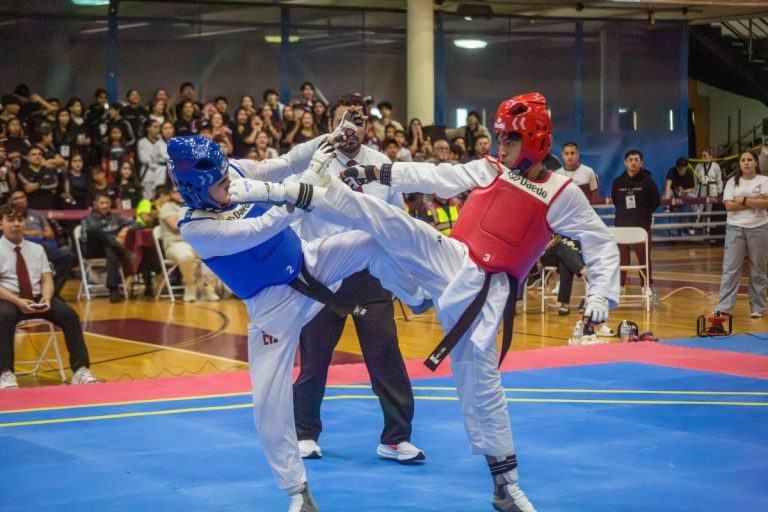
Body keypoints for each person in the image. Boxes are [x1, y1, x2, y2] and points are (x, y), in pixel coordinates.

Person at [230, 92, 621, 512]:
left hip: (485, 292)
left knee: (482, 387)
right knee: (385, 221)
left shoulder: (561, 193)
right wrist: (377, 171)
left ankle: (506, 486)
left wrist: (600, 292)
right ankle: (404, 286)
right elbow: (437, 176)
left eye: (510, 140)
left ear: (536, 142)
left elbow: (599, 242)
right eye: (499, 137)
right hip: (450, 256)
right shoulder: (489, 167)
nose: (500, 146)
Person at [167, 134, 424, 512]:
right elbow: (263, 227)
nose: (230, 185)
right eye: (220, 184)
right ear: (195, 190)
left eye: (226, 177)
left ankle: (420, 296)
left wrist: (328, 139)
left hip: (309, 261)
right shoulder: (196, 227)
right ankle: (298, 494)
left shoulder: (236, 170)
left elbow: (288, 160)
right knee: (268, 406)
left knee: (372, 239)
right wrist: (305, 191)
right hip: (274, 309)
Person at [289, 97, 423, 463]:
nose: (352, 129)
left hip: (371, 275)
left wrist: (405, 271)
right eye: (343, 121)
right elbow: (293, 219)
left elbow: (398, 221)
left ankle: (396, 438)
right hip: (322, 277)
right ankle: (305, 434)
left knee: (386, 358)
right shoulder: (311, 164)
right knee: (314, 361)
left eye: (358, 122)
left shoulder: (381, 166)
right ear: (330, 125)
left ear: (368, 127)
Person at [0, 203, 98, 389]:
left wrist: (46, 298)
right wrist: (17, 301)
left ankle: (80, 370)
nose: (16, 224)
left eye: (20, 220)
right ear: (1, 223)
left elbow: (46, 279)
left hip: (37, 297)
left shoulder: (37, 249)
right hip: (9, 299)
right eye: (10, 220)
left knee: (69, 315)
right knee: (3, 317)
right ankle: (5, 373)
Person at [714, 149, 768, 318]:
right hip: (735, 228)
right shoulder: (732, 182)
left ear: (756, 162)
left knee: (758, 269)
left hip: (759, 227)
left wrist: (743, 200)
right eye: (743, 160)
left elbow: (766, 204)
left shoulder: (765, 180)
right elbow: (729, 206)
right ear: (739, 163)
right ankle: (724, 308)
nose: (746, 162)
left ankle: (758, 308)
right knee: (730, 268)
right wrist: (755, 201)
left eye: (750, 159)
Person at [8, 189, 77, 298]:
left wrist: (27, 233)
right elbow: (14, 234)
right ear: (10, 201)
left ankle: (51, 292)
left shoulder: (37, 214)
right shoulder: (8, 217)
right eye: (16, 199)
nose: (20, 200)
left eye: (22, 197)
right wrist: (37, 233)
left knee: (68, 256)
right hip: (20, 251)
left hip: (43, 249)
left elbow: (49, 233)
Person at [158, 187, 219, 302]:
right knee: (186, 256)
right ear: (171, 194)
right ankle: (190, 285)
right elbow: (175, 226)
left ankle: (208, 286)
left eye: (182, 191)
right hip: (175, 244)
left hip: (194, 243)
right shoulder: (168, 206)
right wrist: (196, 223)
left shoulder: (193, 206)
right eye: (176, 191)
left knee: (213, 252)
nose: (180, 194)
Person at [611, 149, 660, 289]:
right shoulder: (617, 182)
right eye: (630, 159)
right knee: (621, 258)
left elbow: (655, 202)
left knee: (644, 258)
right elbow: (616, 201)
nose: (633, 162)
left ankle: (646, 284)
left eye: (636, 159)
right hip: (622, 227)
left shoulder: (649, 182)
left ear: (641, 162)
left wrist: (642, 214)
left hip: (641, 227)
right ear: (625, 162)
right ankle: (620, 284)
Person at [79, 192, 135, 303]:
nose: (105, 205)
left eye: (107, 203)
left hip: (110, 251)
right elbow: (84, 237)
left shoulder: (117, 217)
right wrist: (112, 239)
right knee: (94, 230)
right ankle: (119, 248)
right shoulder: (87, 218)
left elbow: (137, 223)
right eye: (102, 203)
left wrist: (126, 228)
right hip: (93, 250)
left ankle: (113, 289)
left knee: (110, 249)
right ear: (95, 204)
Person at [663, 157, 696, 236]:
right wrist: (666, 198)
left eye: (684, 168)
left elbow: (692, 188)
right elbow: (668, 184)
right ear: (677, 168)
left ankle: (692, 224)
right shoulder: (672, 171)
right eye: (681, 169)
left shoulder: (689, 172)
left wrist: (683, 191)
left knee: (694, 198)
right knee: (667, 192)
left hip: (684, 194)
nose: (682, 170)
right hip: (673, 194)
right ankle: (666, 208)